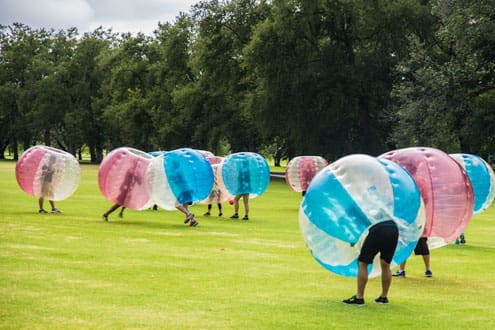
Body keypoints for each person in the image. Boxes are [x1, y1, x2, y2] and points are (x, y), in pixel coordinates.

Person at [342, 220, 399, 305]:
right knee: (386, 264)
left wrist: (353, 240)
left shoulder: (366, 208)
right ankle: (383, 297)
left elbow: (359, 226)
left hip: (378, 229)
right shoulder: (386, 208)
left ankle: (359, 298)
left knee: (362, 263)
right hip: (393, 228)